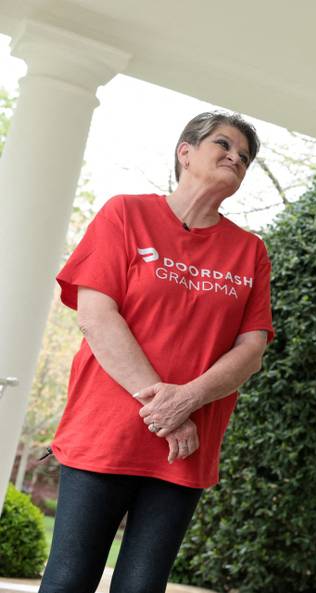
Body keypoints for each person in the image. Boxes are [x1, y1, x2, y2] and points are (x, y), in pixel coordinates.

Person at [39, 111, 274, 593]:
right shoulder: (125, 214)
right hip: (107, 435)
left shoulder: (250, 251)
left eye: (245, 157)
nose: (236, 157)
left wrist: (187, 401)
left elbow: (252, 348)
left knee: (143, 586)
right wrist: (168, 408)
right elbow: (97, 316)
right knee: (69, 580)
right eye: (224, 145)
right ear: (185, 152)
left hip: (183, 448)